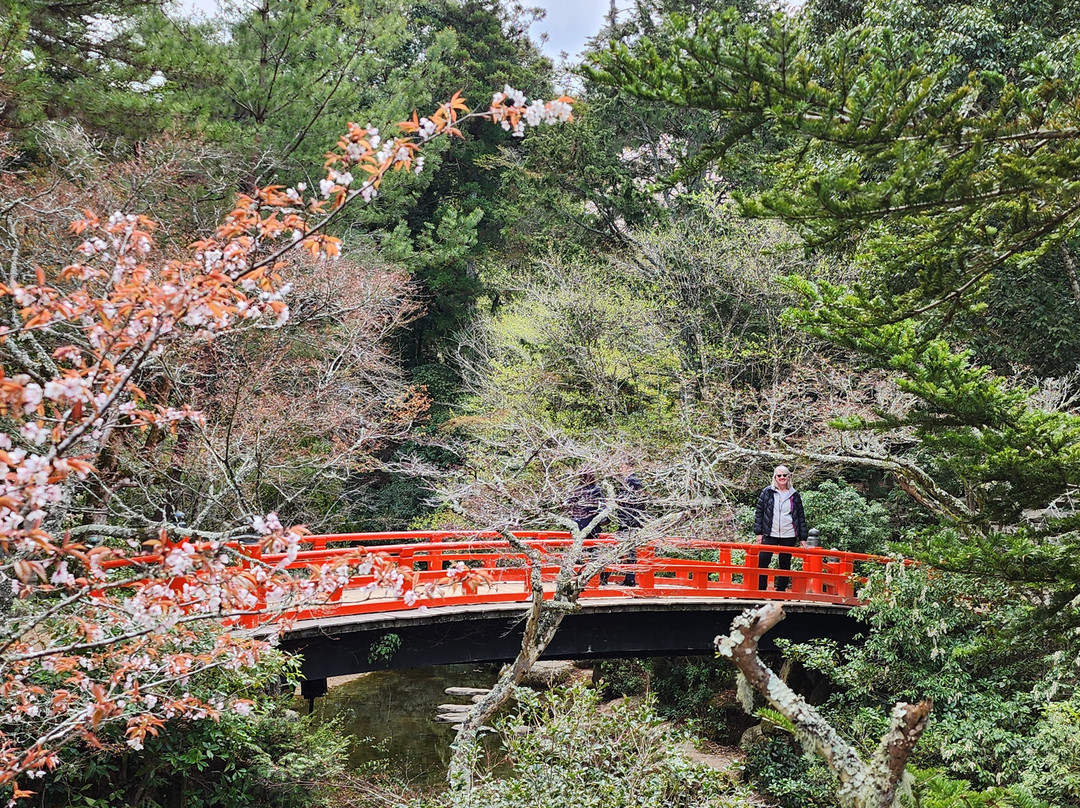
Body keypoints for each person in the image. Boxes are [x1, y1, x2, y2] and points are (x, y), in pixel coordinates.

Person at [751, 465, 808, 592]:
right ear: (775, 477)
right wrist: (758, 533)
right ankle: (761, 589)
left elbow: (800, 516)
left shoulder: (794, 495)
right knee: (763, 560)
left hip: (789, 533)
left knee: (785, 562)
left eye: (784, 475)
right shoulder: (767, 492)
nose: (782, 478)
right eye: (779, 475)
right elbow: (759, 512)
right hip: (770, 532)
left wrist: (802, 538)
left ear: (788, 477)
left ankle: (781, 591)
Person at [614, 464, 645, 587]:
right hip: (630, 520)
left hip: (629, 520)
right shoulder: (631, 481)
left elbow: (633, 502)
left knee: (629, 550)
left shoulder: (631, 481)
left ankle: (630, 578)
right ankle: (629, 578)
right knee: (628, 550)